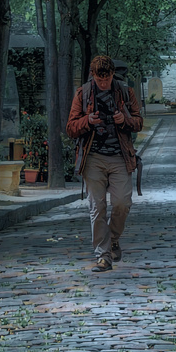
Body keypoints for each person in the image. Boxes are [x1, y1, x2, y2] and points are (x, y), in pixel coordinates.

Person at [67, 55, 143, 271]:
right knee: (97, 207)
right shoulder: (83, 94)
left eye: (107, 79)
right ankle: (103, 256)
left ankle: (113, 238)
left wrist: (124, 120)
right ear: (93, 75)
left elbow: (138, 121)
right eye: (99, 80)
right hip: (93, 157)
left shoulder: (125, 92)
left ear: (112, 75)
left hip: (120, 156)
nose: (103, 84)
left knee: (122, 203)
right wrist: (87, 121)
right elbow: (70, 127)